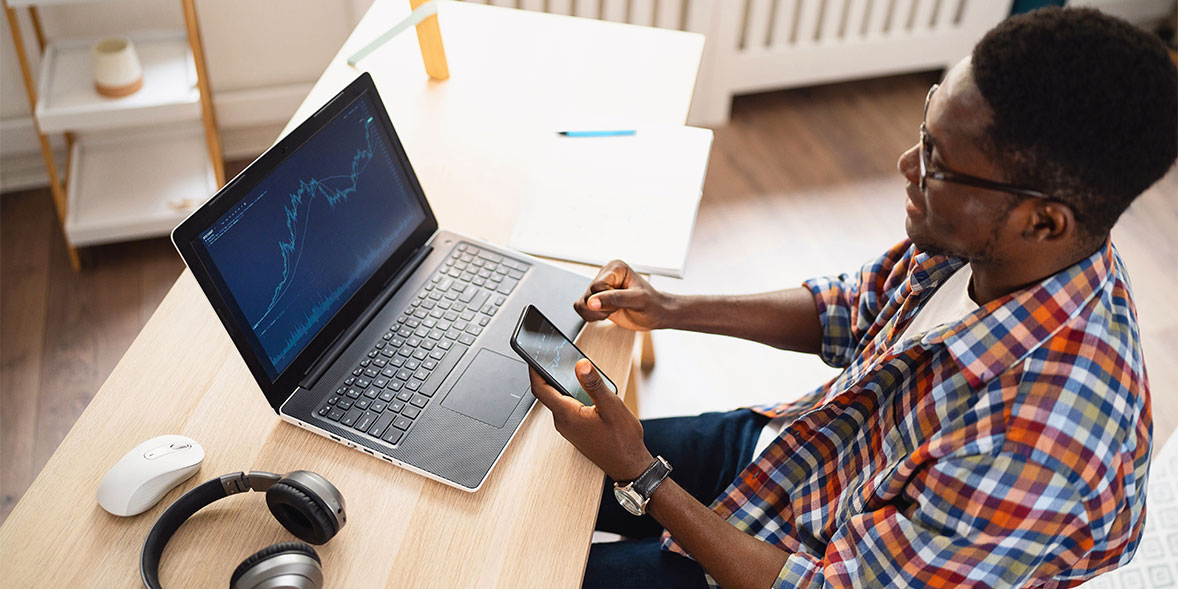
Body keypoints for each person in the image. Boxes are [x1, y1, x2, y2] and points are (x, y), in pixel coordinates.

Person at [526, 7, 1178, 588]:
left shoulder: (1040, 444)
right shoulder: (989, 236)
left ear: (1043, 221)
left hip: (799, 564)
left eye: (937, 161)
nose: (906, 163)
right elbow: (853, 307)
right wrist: (671, 309)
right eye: (926, 128)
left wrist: (643, 475)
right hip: (801, 453)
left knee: (524, 571)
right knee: (535, 471)